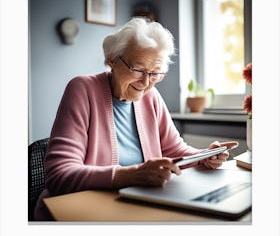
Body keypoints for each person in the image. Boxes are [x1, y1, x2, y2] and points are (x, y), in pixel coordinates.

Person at [34, 17, 230, 220]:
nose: (146, 82)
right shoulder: (82, 89)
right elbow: (59, 175)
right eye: (138, 69)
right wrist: (130, 175)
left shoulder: (151, 97)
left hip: (133, 206)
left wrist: (203, 157)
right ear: (112, 59)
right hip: (76, 212)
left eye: (155, 73)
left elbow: (175, 151)